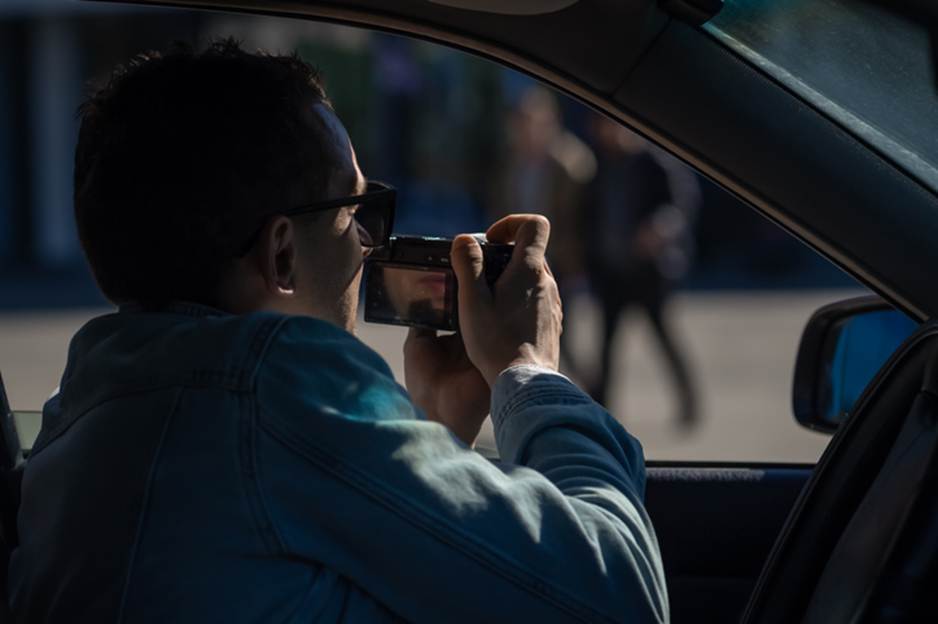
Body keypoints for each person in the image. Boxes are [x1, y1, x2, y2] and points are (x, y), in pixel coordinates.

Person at [7, 41, 667, 623]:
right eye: (355, 211)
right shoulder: (275, 383)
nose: (367, 244)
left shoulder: (84, 412)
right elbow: (620, 598)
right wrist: (529, 375)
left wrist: (435, 431)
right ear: (284, 253)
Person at [584, 115, 700, 428]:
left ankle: (689, 403)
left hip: (647, 273)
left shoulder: (651, 162)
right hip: (612, 273)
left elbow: (679, 205)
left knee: (663, 338)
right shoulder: (598, 166)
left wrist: (658, 229)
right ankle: (600, 414)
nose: (607, 133)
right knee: (606, 347)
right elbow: (590, 216)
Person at [488, 86, 596, 377]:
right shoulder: (512, 162)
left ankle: (586, 389)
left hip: (560, 258)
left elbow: (582, 218)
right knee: (528, 332)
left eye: (530, 121)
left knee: (560, 331)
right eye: (519, 122)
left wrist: (578, 261)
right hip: (520, 257)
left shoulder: (570, 163)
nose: (524, 129)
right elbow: (500, 205)